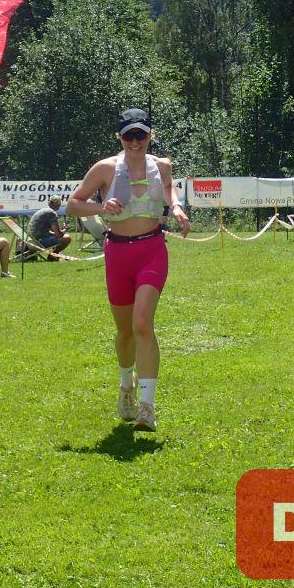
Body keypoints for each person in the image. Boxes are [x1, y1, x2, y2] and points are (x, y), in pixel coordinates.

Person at [66, 108, 190, 432]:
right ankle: (126, 386)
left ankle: (147, 408)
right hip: (118, 255)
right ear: (120, 138)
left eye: (141, 135)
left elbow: (168, 188)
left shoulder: (161, 166)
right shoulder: (105, 169)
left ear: (150, 136)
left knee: (142, 324)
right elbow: (72, 204)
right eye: (128, 136)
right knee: (124, 333)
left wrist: (176, 206)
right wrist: (100, 206)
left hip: (152, 250)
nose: (135, 142)